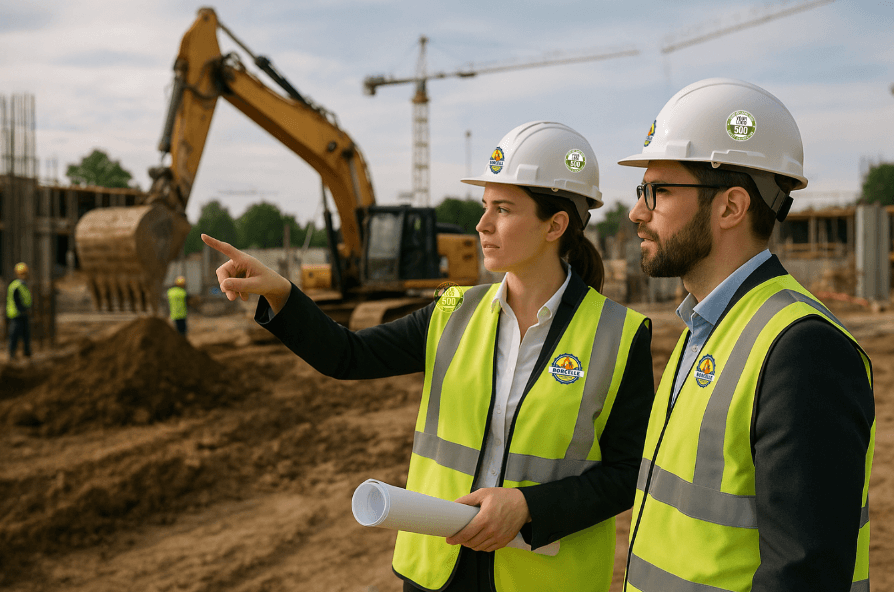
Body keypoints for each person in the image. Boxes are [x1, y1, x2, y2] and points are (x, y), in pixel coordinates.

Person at [202, 121, 655, 592]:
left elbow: (629, 473)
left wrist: (529, 507)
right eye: (484, 206)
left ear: (555, 225)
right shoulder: (452, 309)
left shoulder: (620, 334)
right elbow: (348, 355)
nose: (482, 224)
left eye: (503, 209)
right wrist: (281, 293)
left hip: (540, 577)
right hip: (439, 568)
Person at [618, 78, 875, 592]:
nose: (636, 212)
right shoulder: (703, 327)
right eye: (641, 190)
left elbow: (804, 575)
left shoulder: (803, 349)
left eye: (658, 191)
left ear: (731, 207)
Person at [6, 262, 33, 361]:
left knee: (26, 334)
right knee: (14, 335)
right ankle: (12, 355)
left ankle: (27, 354)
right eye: (23, 273)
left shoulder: (23, 285)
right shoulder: (16, 285)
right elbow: (16, 300)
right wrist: (22, 310)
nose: (25, 275)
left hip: (23, 313)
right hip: (16, 314)